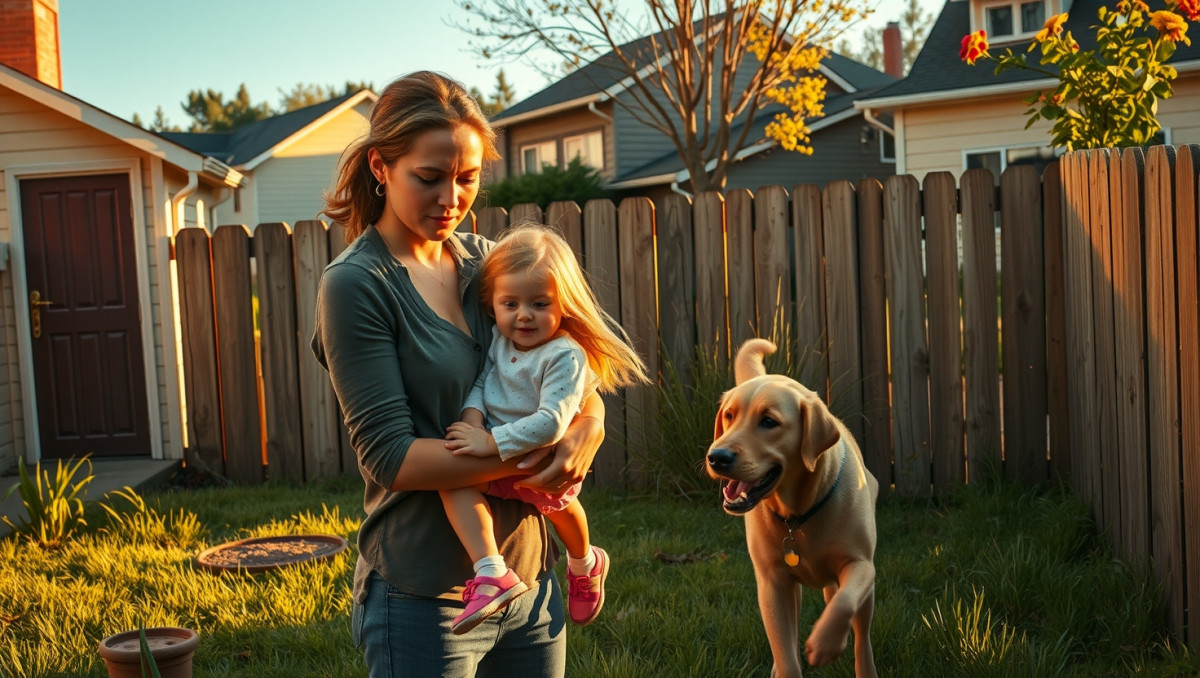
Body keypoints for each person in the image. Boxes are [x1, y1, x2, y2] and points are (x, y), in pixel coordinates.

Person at [311, 71, 607, 678]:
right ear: (380, 166)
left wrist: (589, 429)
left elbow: (571, 365)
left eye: (467, 178)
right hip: (425, 597)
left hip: (531, 578)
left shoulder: (484, 264)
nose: (451, 198)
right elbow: (391, 458)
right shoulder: (357, 286)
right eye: (429, 177)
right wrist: (540, 448)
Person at [439, 224, 650, 634]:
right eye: (510, 303)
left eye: (539, 303)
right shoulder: (501, 341)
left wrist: (490, 442)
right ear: (492, 304)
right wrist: (472, 418)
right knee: (453, 484)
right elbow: (485, 383)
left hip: (540, 455)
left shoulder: (564, 355)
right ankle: (492, 572)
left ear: (563, 305)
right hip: (502, 450)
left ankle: (585, 561)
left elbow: (552, 423)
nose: (524, 315)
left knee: (561, 507)